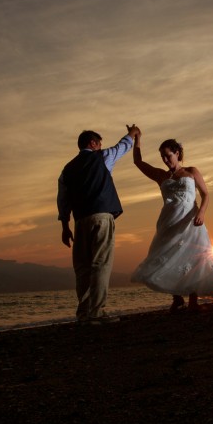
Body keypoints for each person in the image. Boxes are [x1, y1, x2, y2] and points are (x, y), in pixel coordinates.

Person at [130, 133, 213, 311]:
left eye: (168, 155)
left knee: (193, 258)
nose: (165, 160)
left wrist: (202, 212)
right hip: (168, 221)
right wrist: (137, 139)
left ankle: (194, 301)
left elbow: (205, 194)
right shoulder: (161, 176)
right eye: (162, 157)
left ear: (177, 153)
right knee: (168, 258)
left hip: (191, 221)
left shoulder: (192, 171)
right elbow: (138, 162)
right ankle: (177, 298)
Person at [57, 126, 139, 324]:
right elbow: (123, 146)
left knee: (83, 267)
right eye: (99, 143)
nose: (101, 146)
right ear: (93, 143)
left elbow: (63, 199)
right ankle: (97, 311)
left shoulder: (67, 169)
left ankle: (84, 313)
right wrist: (133, 133)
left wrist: (65, 226)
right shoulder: (102, 156)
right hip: (102, 215)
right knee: (101, 263)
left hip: (80, 220)